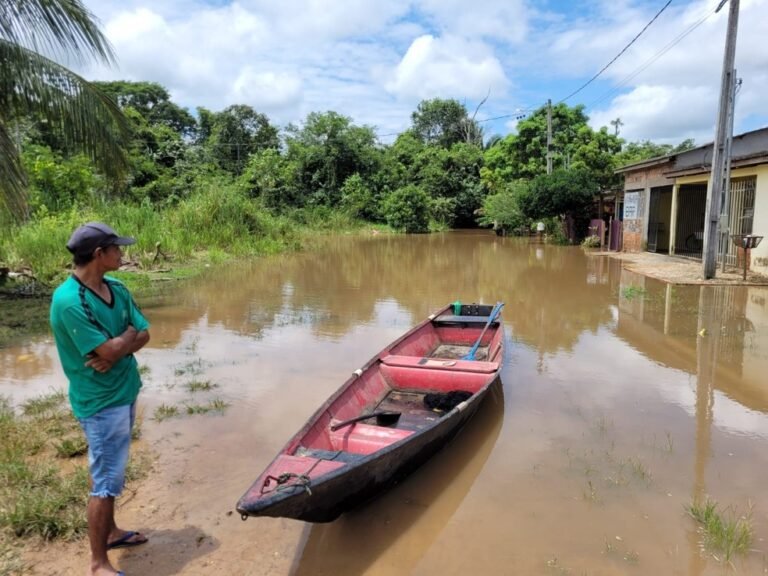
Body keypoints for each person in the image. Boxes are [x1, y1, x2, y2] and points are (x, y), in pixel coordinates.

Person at [50, 222, 151, 576]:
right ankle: (97, 563)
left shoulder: (118, 289)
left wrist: (118, 347)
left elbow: (143, 333)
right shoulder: (68, 301)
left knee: (110, 472)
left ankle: (110, 532)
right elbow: (110, 346)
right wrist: (122, 341)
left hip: (125, 390)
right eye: (117, 249)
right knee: (105, 481)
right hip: (99, 402)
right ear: (99, 254)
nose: (122, 254)